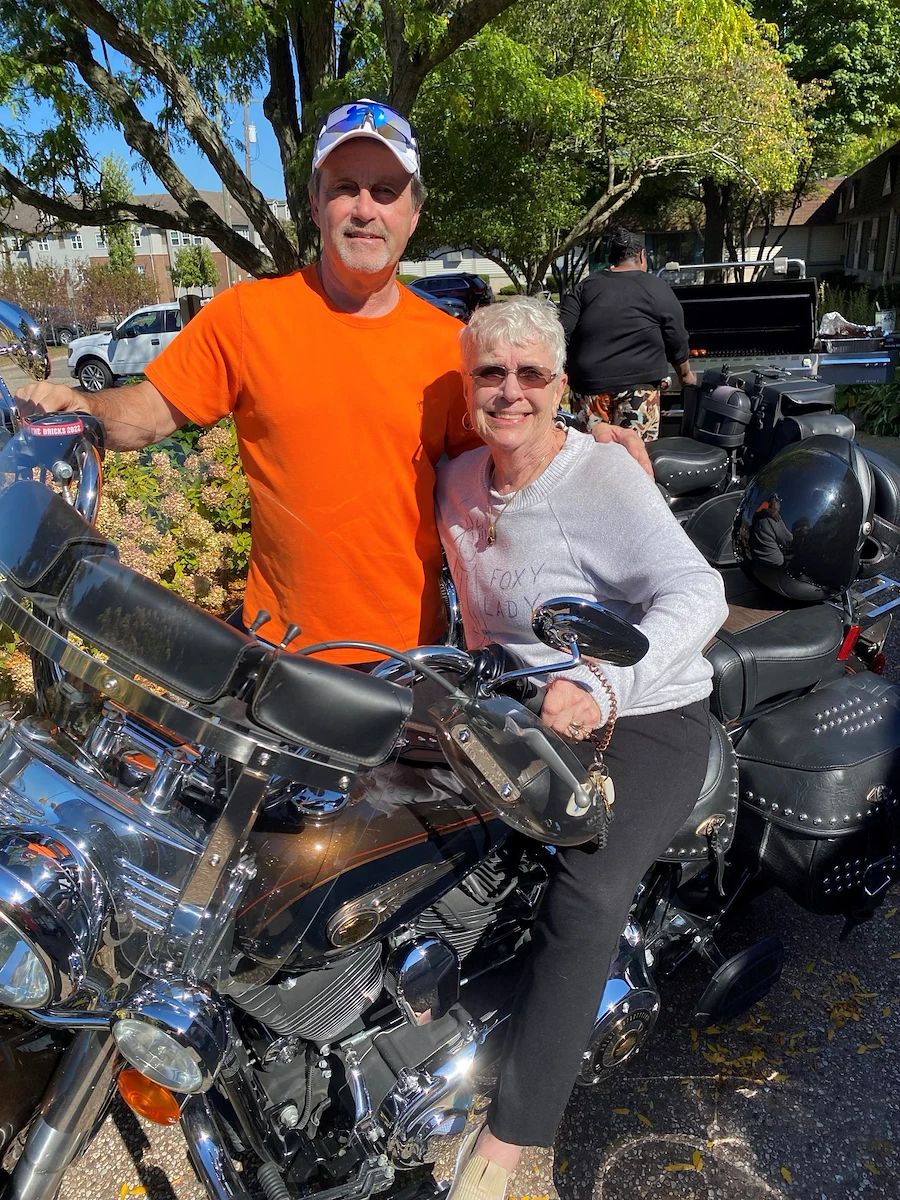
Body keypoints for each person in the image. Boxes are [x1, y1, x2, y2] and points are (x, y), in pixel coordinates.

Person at [14, 101, 651, 660]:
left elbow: (507, 440)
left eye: (385, 191)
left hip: (411, 657)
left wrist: (586, 435)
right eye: (346, 187)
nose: (364, 209)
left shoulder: (448, 347)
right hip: (277, 653)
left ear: (413, 213)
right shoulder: (246, 317)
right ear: (315, 203)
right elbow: (151, 409)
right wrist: (84, 405)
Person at [435, 296, 728, 1200]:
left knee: (587, 884)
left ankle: (511, 1138)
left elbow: (700, 590)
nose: (511, 392)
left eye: (531, 374)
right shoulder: (456, 478)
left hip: (647, 711)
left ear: (562, 385)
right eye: (492, 374)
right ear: (468, 386)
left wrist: (603, 683)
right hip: (522, 711)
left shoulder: (599, 476)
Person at [559, 228, 696, 441]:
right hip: (639, 390)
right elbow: (676, 338)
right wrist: (686, 376)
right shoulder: (656, 287)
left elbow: (560, 333)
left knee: (590, 460)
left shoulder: (584, 287)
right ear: (641, 255)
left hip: (589, 390)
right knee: (635, 460)